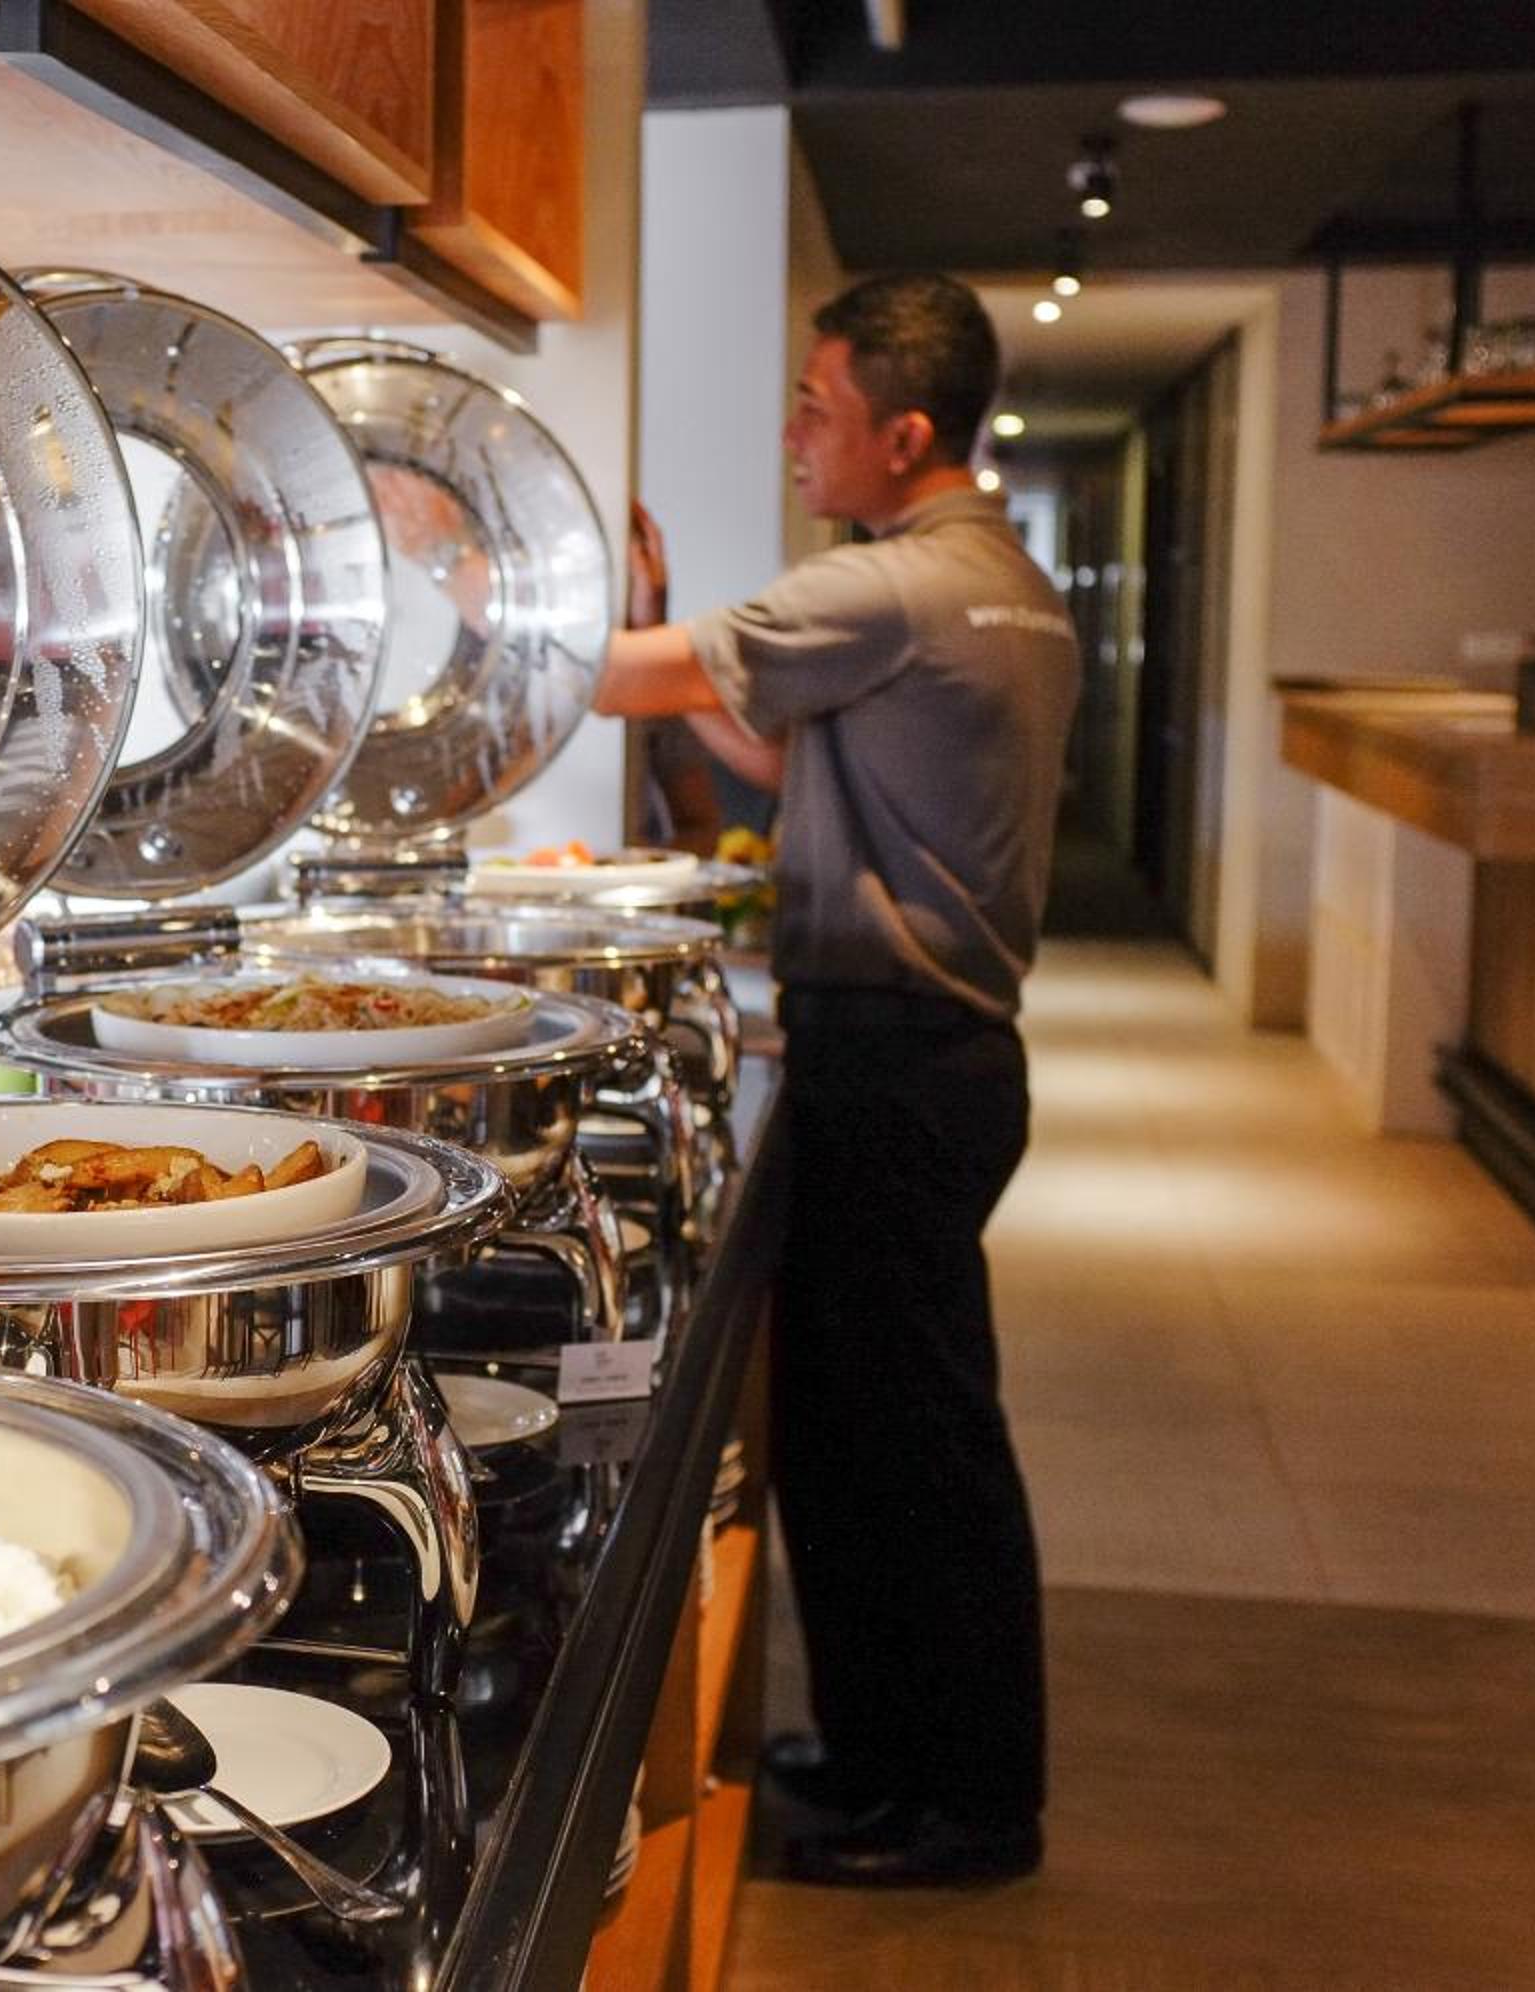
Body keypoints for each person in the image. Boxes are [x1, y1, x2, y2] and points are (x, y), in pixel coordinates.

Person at [596, 273, 1077, 1887]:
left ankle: (967, 1806)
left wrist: (477, 585)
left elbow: (625, 680)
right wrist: (668, 618)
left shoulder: (896, 584)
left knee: (917, 1447)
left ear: (905, 431)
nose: (796, 435)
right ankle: (887, 1754)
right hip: (945, 1057)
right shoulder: (1001, 583)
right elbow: (778, 749)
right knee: (871, 1434)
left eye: (817, 408)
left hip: (896, 1058)